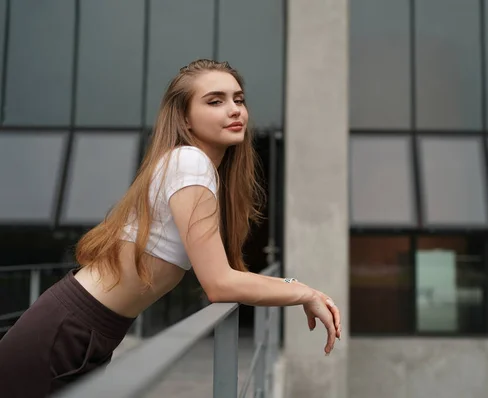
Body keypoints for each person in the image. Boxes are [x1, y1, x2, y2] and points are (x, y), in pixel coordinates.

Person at [0, 59, 341, 397]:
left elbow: (226, 274)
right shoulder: (189, 163)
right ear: (185, 119)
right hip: (66, 330)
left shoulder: (199, 169)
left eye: (238, 99)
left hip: (89, 329)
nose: (234, 109)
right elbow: (220, 284)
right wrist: (304, 292)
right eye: (215, 101)